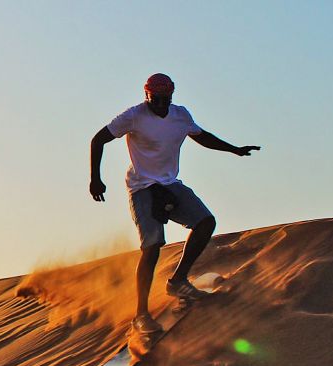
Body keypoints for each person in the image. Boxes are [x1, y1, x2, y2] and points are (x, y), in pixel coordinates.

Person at [89, 73, 260, 334]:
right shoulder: (133, 116)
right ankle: (141, 315)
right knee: (153, 245)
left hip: (170, 183)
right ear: (147, 95)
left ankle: (178, 280)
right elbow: (98, 139)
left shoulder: (180, 115)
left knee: (205, 222)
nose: (160, 104)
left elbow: (202, 136)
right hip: (142, 187)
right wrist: (96, 179)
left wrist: (234, 149)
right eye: (156, 99)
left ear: (171, 96)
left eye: (165, 99)